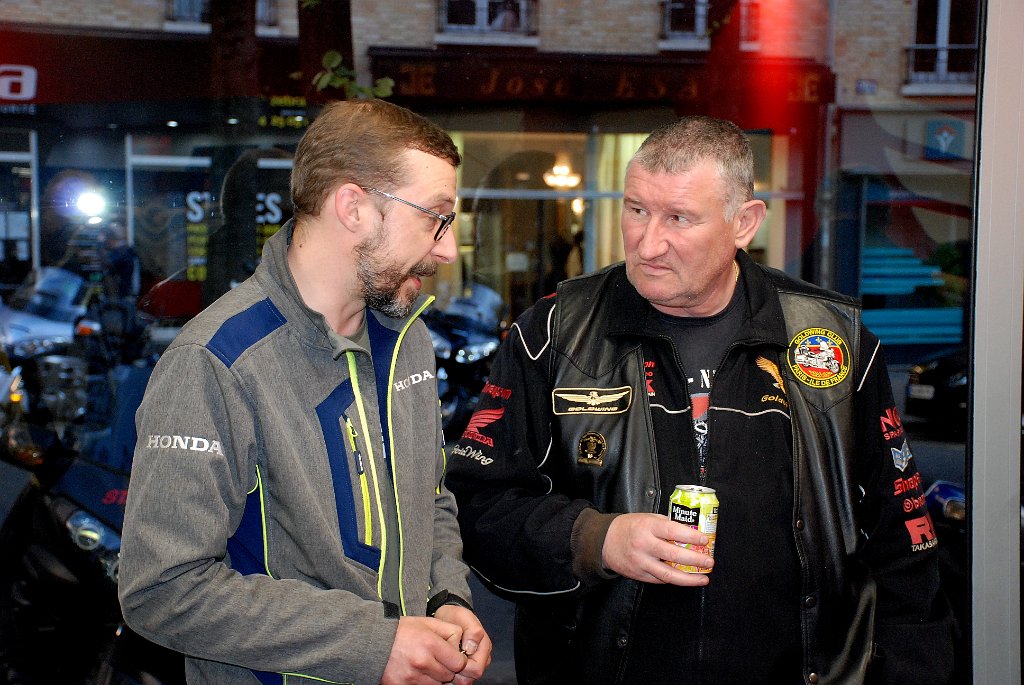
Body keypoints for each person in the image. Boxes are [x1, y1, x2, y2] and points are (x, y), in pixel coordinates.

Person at [444, 115, 956, 684]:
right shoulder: (553, 335)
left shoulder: (833, 340)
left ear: (745, 223)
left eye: (679, 218)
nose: (647, 243)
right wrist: (597, 540)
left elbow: (904, 544)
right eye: (636, 209)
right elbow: (478, 507)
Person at [118, 98, 492, 685]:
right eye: (435, 218)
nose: (447, 249)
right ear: (353, 207)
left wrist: (446, 598)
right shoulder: (215, 362)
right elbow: (163, 589)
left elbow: (429, 496)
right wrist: (374, 644)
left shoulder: (407, 339)